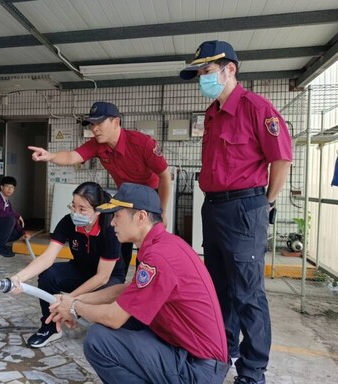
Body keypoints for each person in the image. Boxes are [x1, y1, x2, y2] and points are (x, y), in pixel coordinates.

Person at [180, 40, 293, 384]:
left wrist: (265, 203)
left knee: (247, 292)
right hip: (213, 207)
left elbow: (281, 158)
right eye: (200, 73)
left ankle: (253, 370)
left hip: (245, 207)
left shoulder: (256, 107)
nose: (203, 79)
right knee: (219, 288)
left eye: (207, 72)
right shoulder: (213, 114)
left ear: (230, 69)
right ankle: (223, 351)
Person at [48, 183, 229, 384]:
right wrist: (74, 300)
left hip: (197, 368)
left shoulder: (159, 257)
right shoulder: (162, 244)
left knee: (99, 340)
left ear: (141, 217)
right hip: (191, 355)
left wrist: (74, 307)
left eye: (118, 215)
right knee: (122, 320)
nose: (112, 223)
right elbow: (127, 291)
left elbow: (114, 317)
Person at [28, 101, 172, 273]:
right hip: (125, 198)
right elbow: (72, 156)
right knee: (120, 237)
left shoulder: (142, 143)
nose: (94, 128)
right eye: (92, 124)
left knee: (149, 244)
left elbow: (165, 175)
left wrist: (162, 211)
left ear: (115, 122)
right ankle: (116, 280)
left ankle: (148, 282)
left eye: (99, 123)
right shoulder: (97, 144)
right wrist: (50, 156)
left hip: (150, 197)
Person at [10, 181, 125, 348]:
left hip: (108, 280)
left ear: (98, 210)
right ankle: (50, 328)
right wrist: (18, 278)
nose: (75, 212)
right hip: (80, 270)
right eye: (73, 206)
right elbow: (47, 257)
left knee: (102, 300)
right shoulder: (68, 222)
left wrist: (70, 301)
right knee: (48, 275)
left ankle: (100, 332)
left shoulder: (109, 229)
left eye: (82, 209)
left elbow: (102, 277)